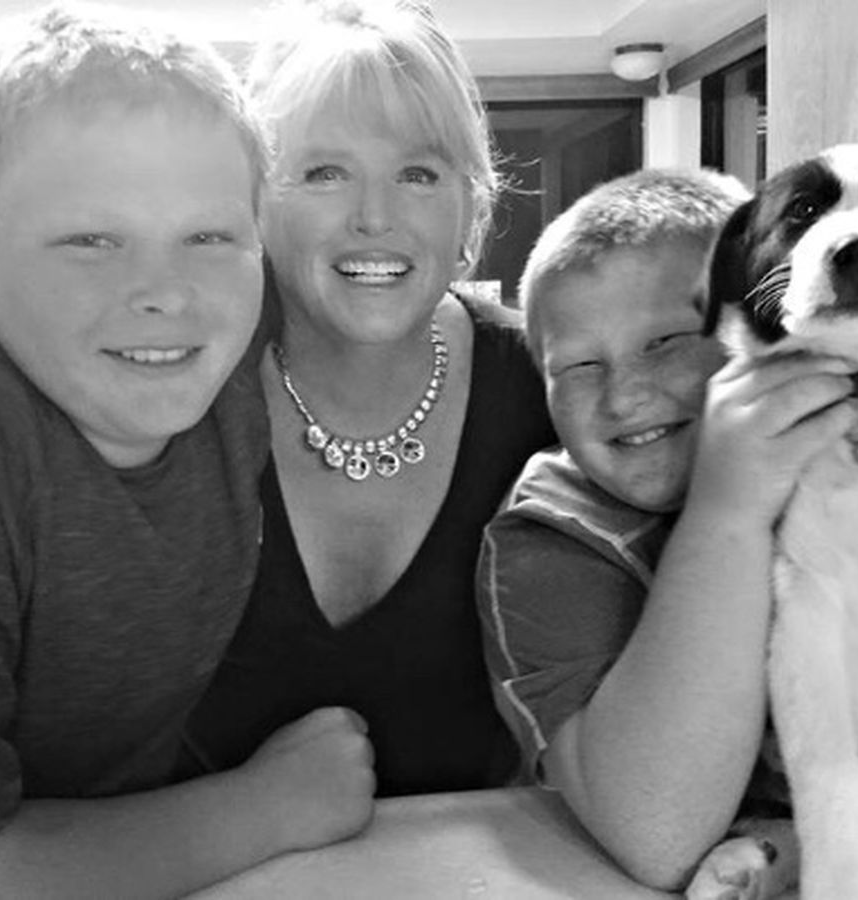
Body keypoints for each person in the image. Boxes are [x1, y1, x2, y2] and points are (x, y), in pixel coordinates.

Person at [0, 5, 377, 897]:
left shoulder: (234, 335)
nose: (165, 292)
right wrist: (264, 810)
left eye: (208, 236)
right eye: (91, 240)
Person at [476, 165, 858, 892]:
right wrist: (725, 513)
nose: (625, 395)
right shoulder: (551, 538)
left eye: (668, 341)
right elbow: (658, 834)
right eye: (578, 365)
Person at [182, 0, 556, 797]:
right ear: (256, 203)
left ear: (470, 207)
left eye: (418, 174)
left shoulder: (548, 383)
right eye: (324, 172)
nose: (375, 218)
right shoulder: (182, 386)